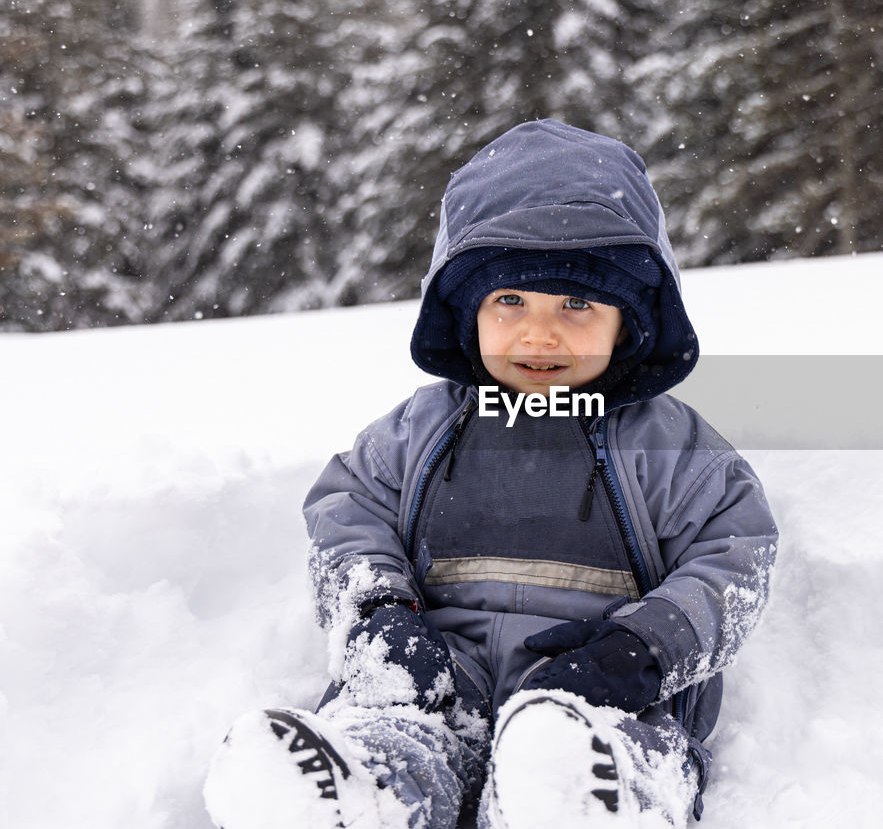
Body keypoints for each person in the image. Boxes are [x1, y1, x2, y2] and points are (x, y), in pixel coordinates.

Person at [203, 119, 778, 829]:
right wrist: (381, 613)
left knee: (610, 756)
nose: (540, 334)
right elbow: (348, 517)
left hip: (599, 690)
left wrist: (644, 648)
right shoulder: (419, 431)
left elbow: (735, 559)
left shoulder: (669, 445)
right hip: (437, 675)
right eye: (510, 302)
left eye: (576, 304)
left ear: (627, 322)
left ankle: (580, 803)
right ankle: (349, 797)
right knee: (394, 734)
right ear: (467, 312)